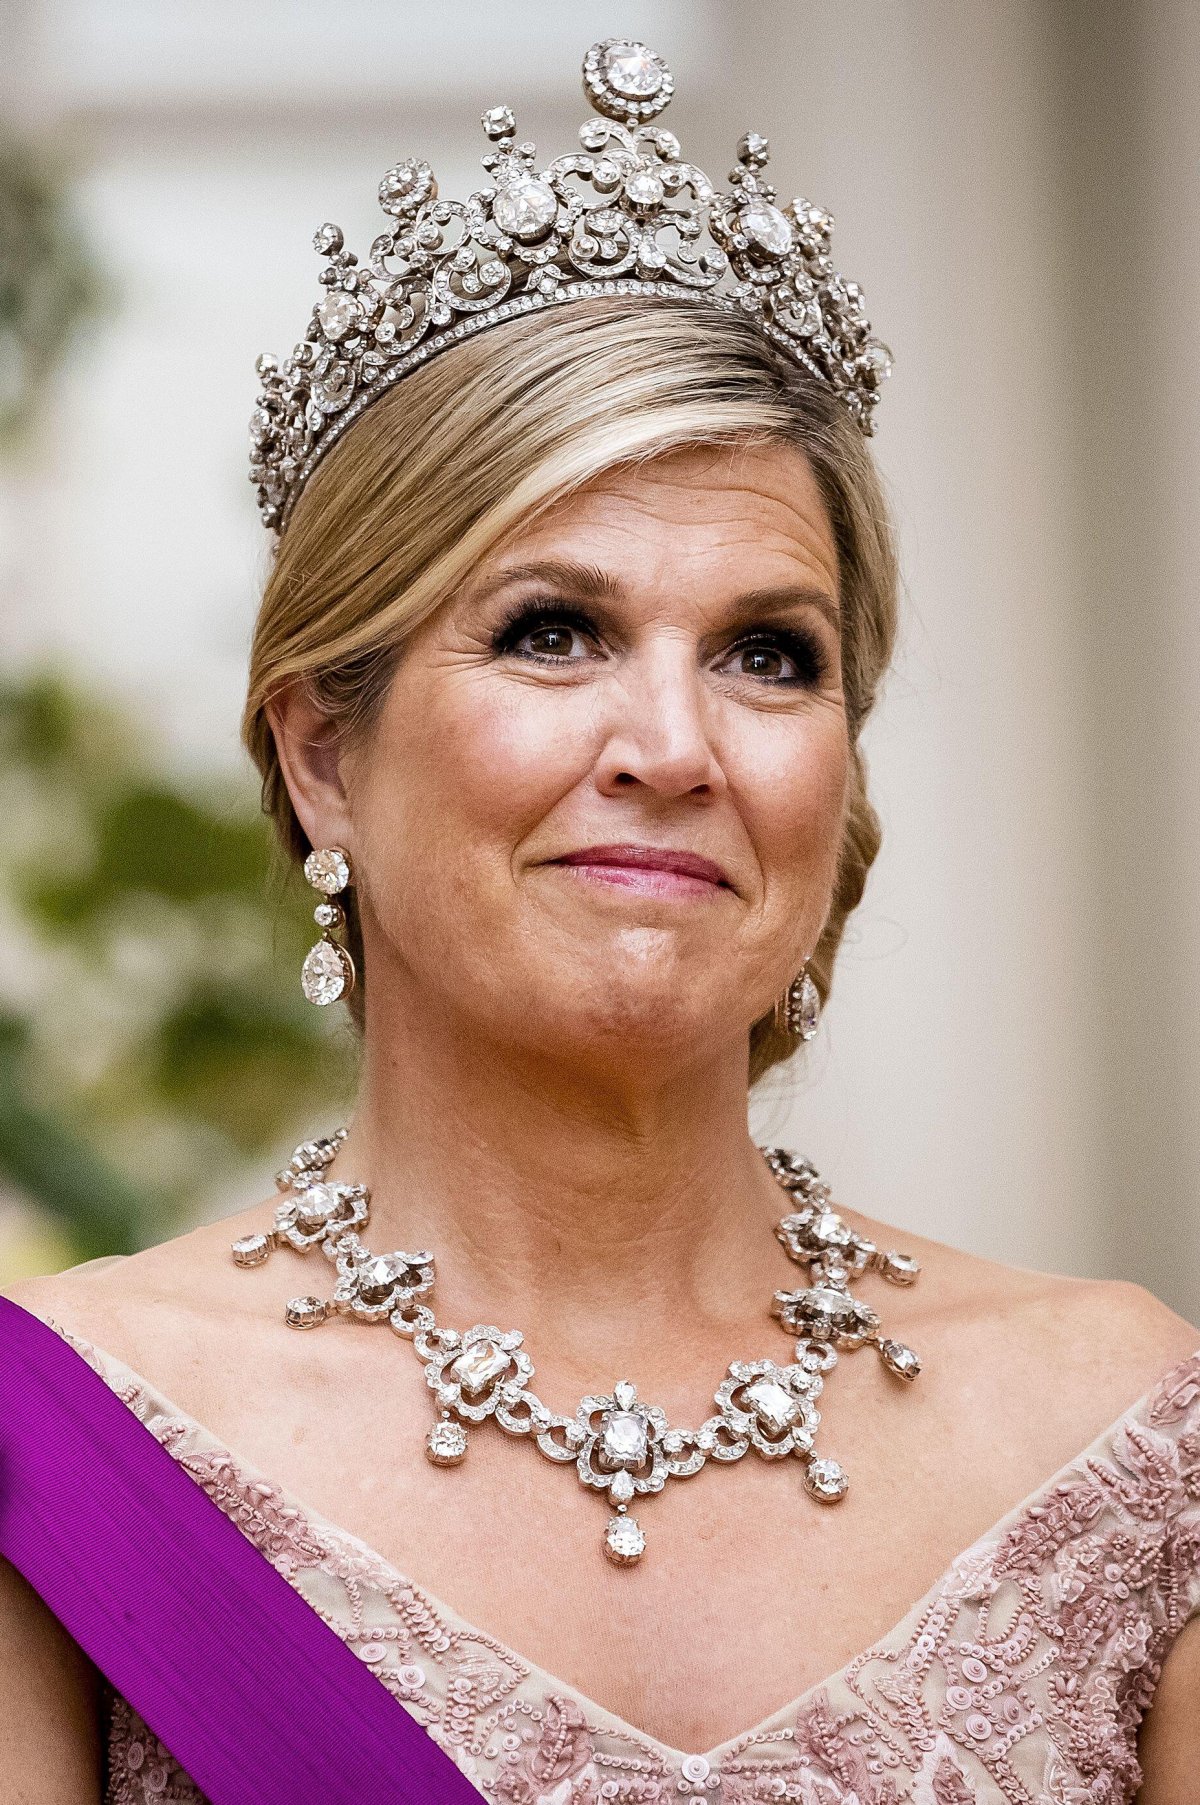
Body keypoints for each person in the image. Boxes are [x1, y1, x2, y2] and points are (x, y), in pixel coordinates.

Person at [2, 36, 1197, 1805]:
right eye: (553, 628)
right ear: (324, 756)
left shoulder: (1126, 1430)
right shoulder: (67, 1454)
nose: (672, 746)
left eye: (768, 654)